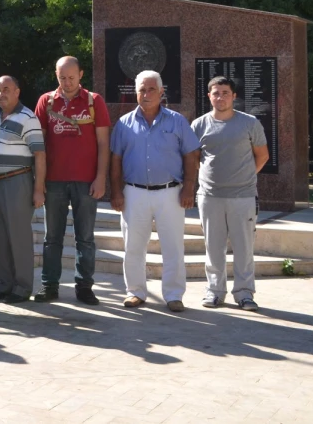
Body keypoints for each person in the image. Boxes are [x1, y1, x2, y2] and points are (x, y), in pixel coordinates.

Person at [110, 70, 200, 311]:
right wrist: (116, 192)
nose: (146, 94)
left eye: (151, 89)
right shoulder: (124, 123)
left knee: (173, 246)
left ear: (161, 92)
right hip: (134, 192)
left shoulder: (177, 121)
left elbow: (191, 154)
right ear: (135, 93)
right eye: (142, 90)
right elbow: (116, 160)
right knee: (133, 246)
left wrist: (189, 187)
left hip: (170, 193)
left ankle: (173, 295)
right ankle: (135, 292)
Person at [34, 56, 110, 305]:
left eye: (71, 77)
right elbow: (40, 146)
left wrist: (100, 179)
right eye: (62, 77)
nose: (67, 83)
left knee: (85, 238)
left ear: (81, 75)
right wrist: (40, 182)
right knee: (51, 238)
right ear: (56, 75)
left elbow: (103, 144)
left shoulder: (94, 101)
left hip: (86, 181)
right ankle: (49, 285)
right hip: (54, 181)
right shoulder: (46, 101)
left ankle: (85, 287)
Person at [191, 75, 269, 311]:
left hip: (242, 196)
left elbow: (262, 155)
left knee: (243, 248)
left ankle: (244, 294)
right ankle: (215, 292)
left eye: (225, 93)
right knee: (213, 247)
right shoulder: (199, 125)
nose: (220, 97)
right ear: (209, 96)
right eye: (216, 93)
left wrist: (245, 177)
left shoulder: (250, 123)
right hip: (210, 196)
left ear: (234, 96)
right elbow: (195, 159)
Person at [0, 76, 46, 304]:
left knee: (18, 237)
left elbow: (39, 154)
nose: (1, 94)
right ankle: (5, 284)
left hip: (17, 182)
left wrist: (38, 189)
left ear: (17, 92)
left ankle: (22, 287)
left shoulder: (28, 117)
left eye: (6, 89)